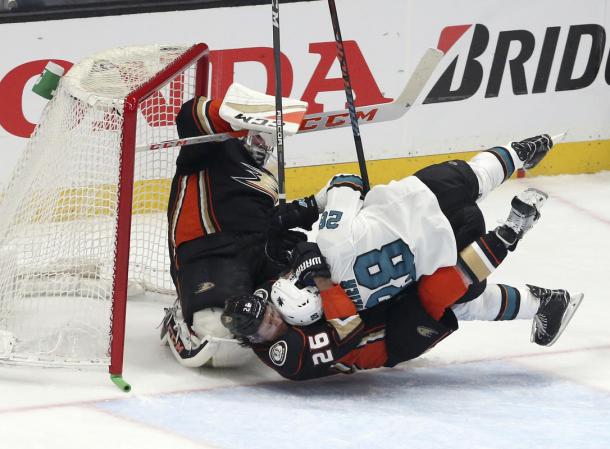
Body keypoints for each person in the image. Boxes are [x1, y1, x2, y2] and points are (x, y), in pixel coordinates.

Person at [268, 134, 564, 322]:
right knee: (479, 174)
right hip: (426, 193)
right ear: (296, 276)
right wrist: (301, 210)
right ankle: (519, 153)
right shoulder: (332, 241)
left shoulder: (356, 310)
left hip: (454, 241)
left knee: (462, 302)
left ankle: (517, 255)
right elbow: (347, 180)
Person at [220, 251, 583, 380]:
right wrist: (316, 274)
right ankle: (542, 299)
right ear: (253, 339)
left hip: (370, 310)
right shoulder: (289, 355)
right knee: (450, 298)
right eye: (269, 325)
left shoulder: (266, 305)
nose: (276, 320)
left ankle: (547, 301)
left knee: (439, 282)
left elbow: (284, 276)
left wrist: (299, 254)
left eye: (270, 313)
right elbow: (347, 327)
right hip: (388, 339)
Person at [160, 83, 307, 368]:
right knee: (221, 337)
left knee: (304, 305)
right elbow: (189, 115)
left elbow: (262, 222)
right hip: (207, 251)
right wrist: (236, 113)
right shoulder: (213, 147)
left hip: (252, 253)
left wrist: (282, 232)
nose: (266, 147)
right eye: (261, 138)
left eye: (271, 141)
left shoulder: (269, 170)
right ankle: (183, 317)